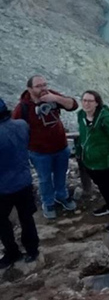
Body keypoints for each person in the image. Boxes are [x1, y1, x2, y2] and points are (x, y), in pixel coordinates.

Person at [12, 75, 78, 219]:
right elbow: (15, 130)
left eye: (44, 84)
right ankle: (48, 202)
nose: (43, 88)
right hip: (39, 152)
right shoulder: (22, 107)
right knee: (45, 179)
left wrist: (56, 99)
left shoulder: (51, 95)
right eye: (38, 86)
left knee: (61, 174)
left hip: (61, 147)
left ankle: (61, 196)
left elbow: (73, 105)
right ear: (29, 89)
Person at [75, 90, 109, 232]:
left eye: (90, 101)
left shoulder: (105, 119)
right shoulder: (81, 115)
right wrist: (79, 150)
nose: (86, 103)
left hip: (107, 163)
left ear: (97, 103)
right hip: (90, 162)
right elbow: (82, 134)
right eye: (84, 100)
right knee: (102, 185)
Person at [0, 97, 39, 268]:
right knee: (27, 218)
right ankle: (32, 251)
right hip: (24, 181)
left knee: (1, 221)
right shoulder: (22, 125)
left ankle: (12, 252)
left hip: (3, 187)